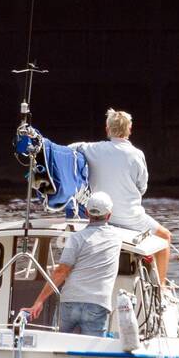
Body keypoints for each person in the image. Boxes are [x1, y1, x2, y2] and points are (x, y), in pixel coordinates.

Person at [69, 108, 171, 286]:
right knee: (165, 236)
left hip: (100, 215)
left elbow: (70, 149)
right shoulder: (137, 154)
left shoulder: (93, 149)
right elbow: (142, 187)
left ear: (107, 129)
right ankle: (161, 288)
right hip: (131, 218)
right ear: (129, 130)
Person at [26, 191, 121, 336]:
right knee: (90, 354)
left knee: (61, 346)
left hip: (70, 301)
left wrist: (38, 302)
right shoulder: (117, 238)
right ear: (109, 215)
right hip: (97, 303)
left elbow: (61, 271)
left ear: (87, 213)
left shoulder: (75, 239)